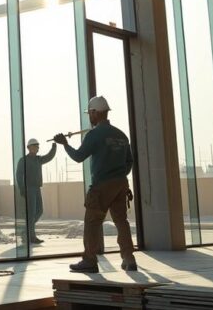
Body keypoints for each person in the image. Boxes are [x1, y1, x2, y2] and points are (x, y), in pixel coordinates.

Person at [53, 96, 136, 273]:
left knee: (92, 222)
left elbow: (78, 157)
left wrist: (65, 144)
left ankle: (89, 260)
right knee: (122, 221)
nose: (89, 117)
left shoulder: (94, 135)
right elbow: (129, 161)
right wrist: (119, 175)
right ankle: (129, 258)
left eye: (90, 114)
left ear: (94, 113)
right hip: (121, 184)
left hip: (102, 185)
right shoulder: (121, 135)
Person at [16, 138, 56, 244]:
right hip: (29, 189)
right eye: (34, 146)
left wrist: (54, 147)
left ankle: (26, 231)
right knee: (32, 213)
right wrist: (22, 188)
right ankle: (31, 236)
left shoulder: (38, 159)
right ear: (28, 148)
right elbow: (19, 175)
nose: (36, 148)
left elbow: (49, 157)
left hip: (37, 188)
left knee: (39, 211)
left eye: (37, 146)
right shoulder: (23, 160)